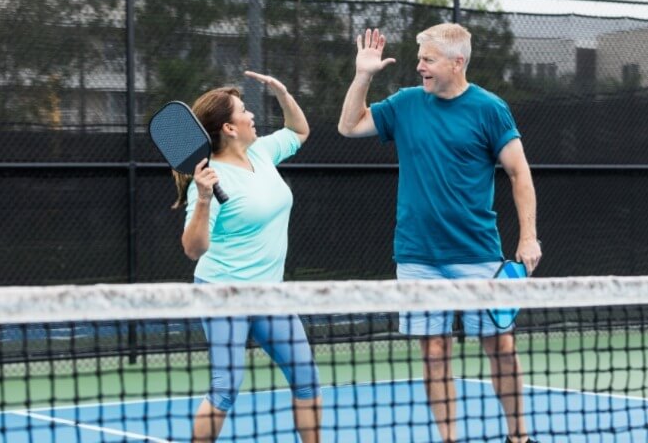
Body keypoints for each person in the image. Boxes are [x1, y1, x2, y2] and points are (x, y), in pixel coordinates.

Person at [337, 24, 542, 443]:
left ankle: (518, 438)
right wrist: (363, 75)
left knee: (501, 349)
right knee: (433, 354)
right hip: (418, 257)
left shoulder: (490, 109)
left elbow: (519, 172)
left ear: (457, 62)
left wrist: (528, 237)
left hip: (479, 254)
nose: (420, 67)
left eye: (427, 60)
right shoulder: (407, 104)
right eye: (420, 59)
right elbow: (349, 126)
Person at [173, 71, 321, 443]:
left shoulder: (261, 152)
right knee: (226, 387)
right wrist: (204, 199)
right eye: (244, 110)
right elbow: (193, 249)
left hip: (270, 294)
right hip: (224, 292)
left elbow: (299, 131)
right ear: (229, 127)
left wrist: (284, 93)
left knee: (307, 378)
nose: (252, 114)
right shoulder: (209, 180)